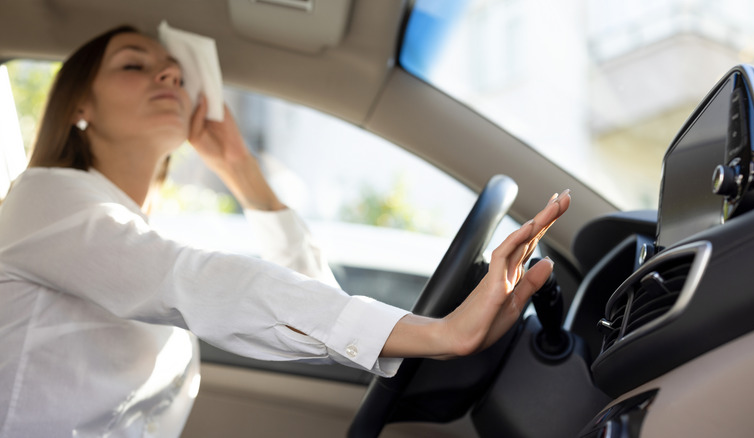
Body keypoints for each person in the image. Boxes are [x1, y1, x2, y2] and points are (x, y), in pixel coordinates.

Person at [0, 25, 571, 437]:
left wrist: (242, 171)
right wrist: (440, 334)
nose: (168, 73)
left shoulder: (127, 229)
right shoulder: (44, 199)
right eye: (134, 64)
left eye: (173, 68)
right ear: (78, 104)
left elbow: (321, 309)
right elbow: (190, 280)